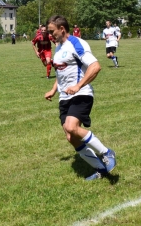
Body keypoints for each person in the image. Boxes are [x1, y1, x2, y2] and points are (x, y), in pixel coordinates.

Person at [45, 15, 116, 181]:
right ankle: (101, 169)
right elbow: (61, 71)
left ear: (62, 29)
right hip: (64, 97)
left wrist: (78, 86)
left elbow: (95, 66)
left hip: (81, 95)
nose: (50, 35)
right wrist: (53, 89)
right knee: (71, 137)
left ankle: (106, 152)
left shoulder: (77, 43)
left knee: (71, 127)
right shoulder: (59, 46)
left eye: (52, 31)